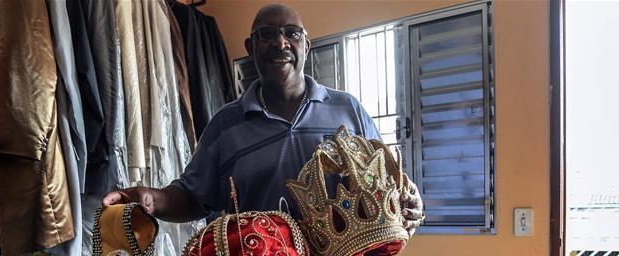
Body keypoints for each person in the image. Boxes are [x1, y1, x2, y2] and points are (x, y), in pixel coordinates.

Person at [101, 3, 424, 234]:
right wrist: (150, 198)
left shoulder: (348, 110)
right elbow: (191, 197)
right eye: (267, 34)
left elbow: (386, 183)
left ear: (306, 46)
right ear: (250, 47)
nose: (280, 43)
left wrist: (411, 203)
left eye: (292, 34)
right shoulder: (226, 125)